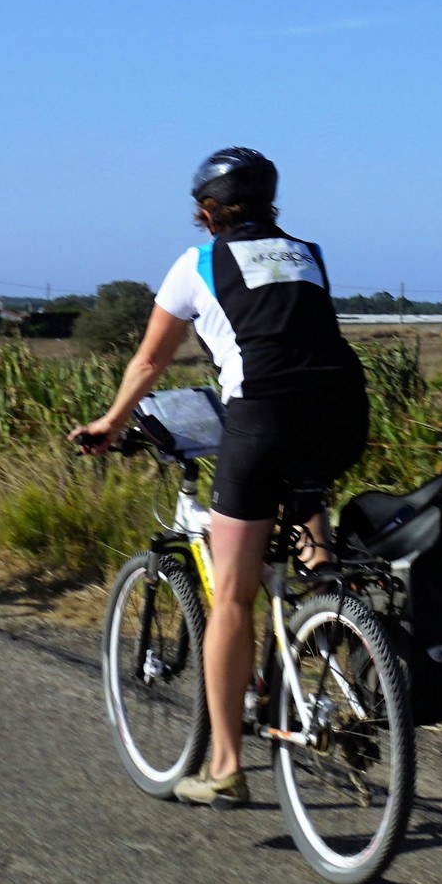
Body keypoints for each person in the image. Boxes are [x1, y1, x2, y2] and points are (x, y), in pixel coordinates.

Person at [71, 147, 371, 810]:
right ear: (271, 204)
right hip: (346, 411)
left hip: (262, 414)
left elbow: (151, 361)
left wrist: (111, 422)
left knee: (232, 598)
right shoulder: (308, 253)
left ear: (206, 212)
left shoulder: (195, 262)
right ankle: (334, 632)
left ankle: (225, 765)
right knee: (307, 507)